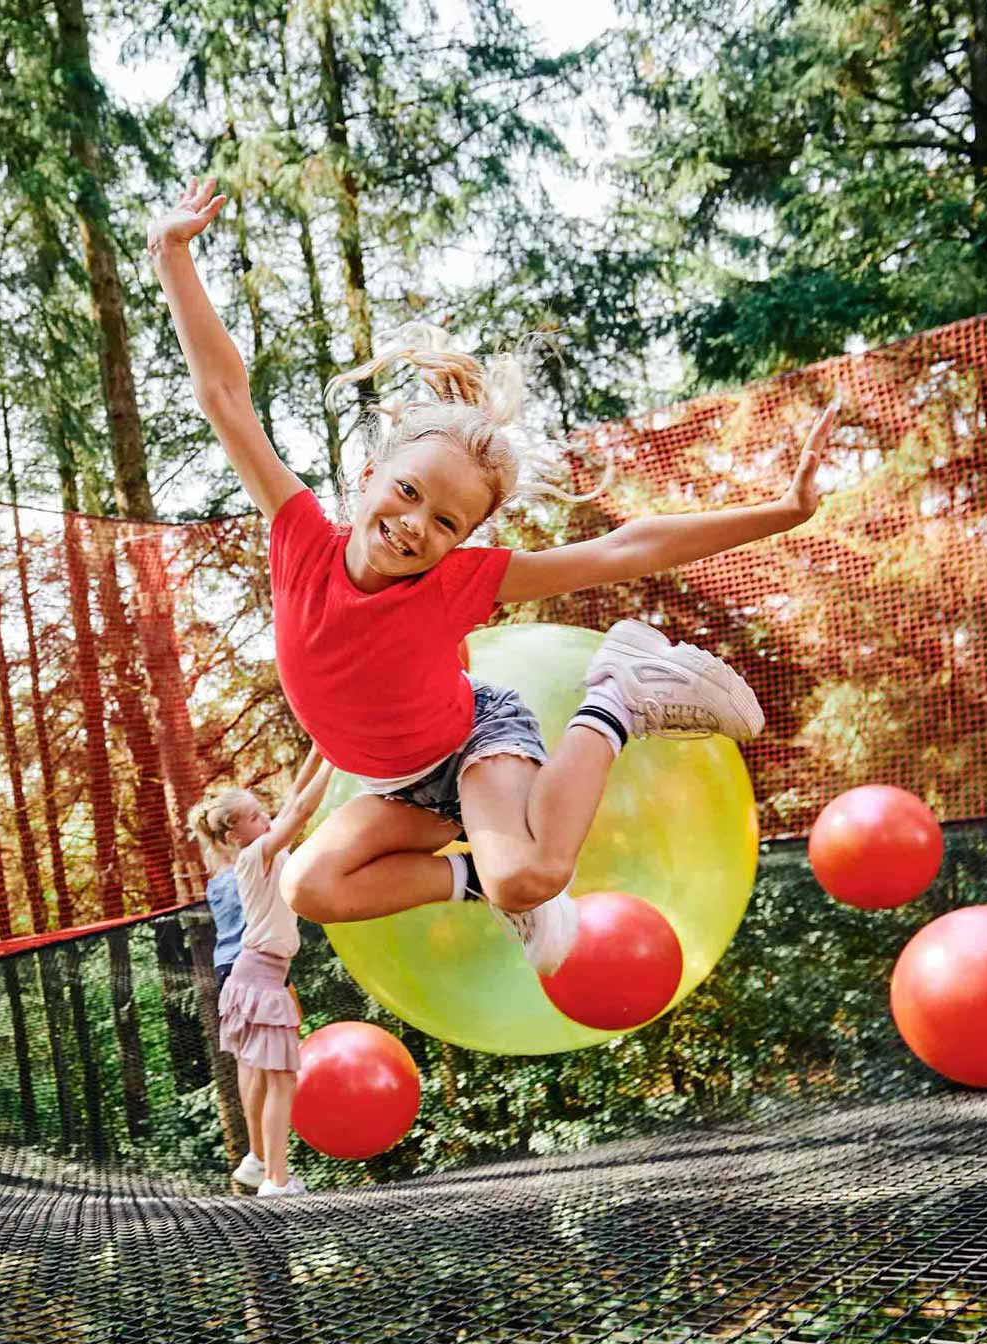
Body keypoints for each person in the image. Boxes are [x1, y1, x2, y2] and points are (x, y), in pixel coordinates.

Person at [148, 177, 838, 973]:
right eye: (407, 492)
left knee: (534, 876)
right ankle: (474, 878)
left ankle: (615, 695)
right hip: (405, 792)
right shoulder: (300, 536)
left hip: (474, 738)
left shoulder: (454, 585)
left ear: (465, 539)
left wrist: (780, 512)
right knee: (311, 886)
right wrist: (172, 254)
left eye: (447, 522)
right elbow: (225, 397)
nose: (415, 525)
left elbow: (621, 550)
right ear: (368, 475)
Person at [186, 749, 333, 1198]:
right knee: (280, 1081)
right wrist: (339, 759)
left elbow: (291, 802)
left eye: (260, 810)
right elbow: (302, 809)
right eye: (252, 816)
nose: (264, 816)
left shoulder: (269, 849)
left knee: (276, 1079)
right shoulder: (255, 857)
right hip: (258, 977)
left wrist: (320, 750)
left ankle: (267, 1172)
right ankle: (276, 1180)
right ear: (234, 833)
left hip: (261, 976)